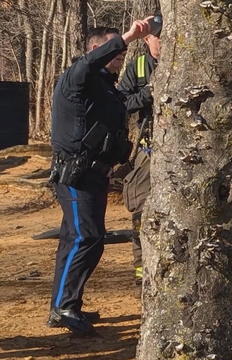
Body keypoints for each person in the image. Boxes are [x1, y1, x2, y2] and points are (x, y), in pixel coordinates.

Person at [47, 18, 152, 336]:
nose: (120, 61)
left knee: (73, 239)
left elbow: (126, 103)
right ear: (98, 51)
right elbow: (90, 62)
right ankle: (64, 307)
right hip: (77, 174)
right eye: (116, 54)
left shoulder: (104, 86)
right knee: (87, 238)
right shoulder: (77, 77)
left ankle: (65, 306)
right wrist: (128, 37)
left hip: (94, 174)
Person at [118, 13, 162, 286]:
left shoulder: (189, 63)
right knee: (141, 215)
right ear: (147, 39)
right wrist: (148, 93)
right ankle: (142, 275)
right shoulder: (140, 66)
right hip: (147, 153)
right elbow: (119, 104)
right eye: (159, 38)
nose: (164, 43)